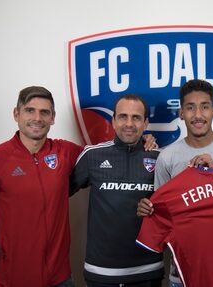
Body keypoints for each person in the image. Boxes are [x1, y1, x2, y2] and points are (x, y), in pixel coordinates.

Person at [137, 79, 213, 287]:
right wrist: (149, 209)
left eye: (204, 106)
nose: (198, 115)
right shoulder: (167, 156)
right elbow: (163, 215)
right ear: (181, 113)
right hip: (183, 273)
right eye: (190, 108)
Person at [0, 86, 83, 287]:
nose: (38, 118)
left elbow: (106, 155)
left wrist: (143, 143)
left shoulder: (65, 151)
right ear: (16, 114)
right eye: (30, 110)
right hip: (11, 279)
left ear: (53, 117)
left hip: (60, 279)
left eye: (45, 112)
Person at [69, 94, 164, 287]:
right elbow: (56, 193)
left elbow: (174, 207)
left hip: (148, 270)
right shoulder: (93, 155)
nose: (129, 123)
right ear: (113, 121)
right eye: (123, 116)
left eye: (136, 118)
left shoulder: (160, 158)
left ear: (145, 123)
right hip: (101, 272)